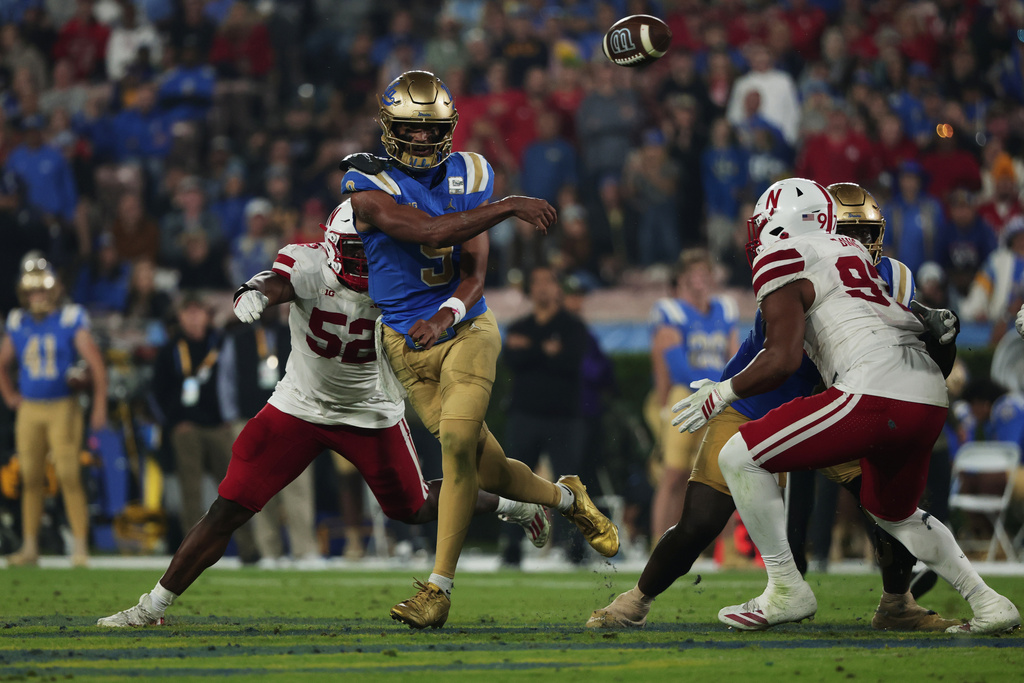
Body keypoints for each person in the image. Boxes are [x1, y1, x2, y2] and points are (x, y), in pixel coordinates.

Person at [96, 201, 550, 627]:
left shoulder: (406, 275)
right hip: (300, 405)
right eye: (354, 250)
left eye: (370, 250)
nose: (363, 261)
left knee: (414, 510)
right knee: (228, 507)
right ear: (332, 243)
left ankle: (509, 503)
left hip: (371, 410)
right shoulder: (308, 263)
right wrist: (251, 291)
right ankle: (150, 607)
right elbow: (275, 281)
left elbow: (458, 280)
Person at [587, 182, 959, 632]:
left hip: (832, 401)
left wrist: (936, 342)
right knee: (701, 519)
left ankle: (897, 603)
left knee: (884, 508)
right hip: (756, 399)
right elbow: (782, 359)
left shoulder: (888, 277)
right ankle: (638, 598)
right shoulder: (800, 264)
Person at [674, 178, 1019, 634]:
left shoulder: (783, 256)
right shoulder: (857, 255)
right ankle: (989, 602)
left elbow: (782, 358)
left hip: (874, 388)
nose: (757, 236)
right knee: (894, 512)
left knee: (738, 455)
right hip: (928, 394)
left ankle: (785, 588)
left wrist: (722, 392)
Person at [341, 70, 618, 630]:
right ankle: (567, 500)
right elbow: (430, 233)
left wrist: (445, 314)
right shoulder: (365, 181)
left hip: (465, 329)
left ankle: (437, 589)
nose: (422, 141)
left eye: (431, 130)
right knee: (484, 468)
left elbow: (474, 274)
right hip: (403, 344)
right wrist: (511, 204)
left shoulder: (470, 172)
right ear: (389, 130)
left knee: (460, 443)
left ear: (448, 129)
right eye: (411, 131)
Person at [0, 253, 107, 567]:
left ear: (54, 290)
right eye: (33, 292)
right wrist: (10, 396)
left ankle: (80, 546)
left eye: (43, 291)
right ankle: (30, 546)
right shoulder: (18, 322)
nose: (38, 297)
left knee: (68, 474)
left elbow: (96, 365)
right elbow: (2, 363)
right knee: (30, 476)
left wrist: (99, 404)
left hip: (63, 405)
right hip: (31, 408)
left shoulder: (70, 318)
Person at [646, 248, 738, 542]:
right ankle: (659, 543)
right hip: (684, 397)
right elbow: (675, 367)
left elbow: (734, 357)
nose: (699, 279)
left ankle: (726, 551)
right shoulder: (670, 310)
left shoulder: (725, 308)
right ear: (683, 278)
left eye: (704, 273)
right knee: (673, 474)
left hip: (716, 398)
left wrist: (727, 390)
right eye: (693, 274)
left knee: (719, 476)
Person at [500, 265, 589, 566]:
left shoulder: (572, 326)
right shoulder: (519, 325)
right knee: (514, 482)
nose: (541, 288)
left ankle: (574, 549)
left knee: (568, 484)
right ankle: (511, 548)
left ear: (558, 287)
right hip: (525, 414)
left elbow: (571, 361)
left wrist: (531, 351)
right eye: (535, 282)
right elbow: (511, 359)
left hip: (564, 416)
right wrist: (546, 350)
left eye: (547, 281)